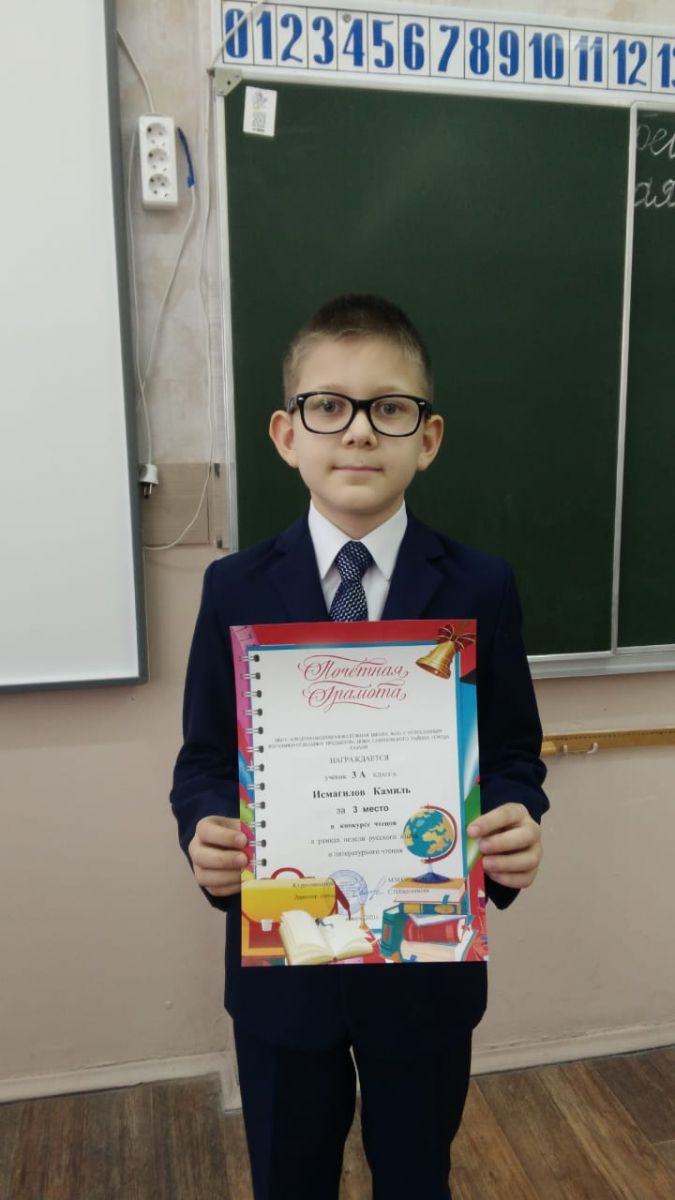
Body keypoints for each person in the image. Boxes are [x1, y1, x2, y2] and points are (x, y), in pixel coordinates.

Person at [170, 294, 548, 1200]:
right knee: (289, 1176)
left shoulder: (480, 587)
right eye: (328, 406)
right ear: (285, 434)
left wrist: (514, 818)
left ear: (428, 437)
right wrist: (205, 826)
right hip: (285, 960)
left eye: (390, 408)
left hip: (425, 964)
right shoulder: (233, 589)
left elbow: (512, 753)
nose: (359, 431)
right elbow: (204, 759)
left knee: (415, 1174)